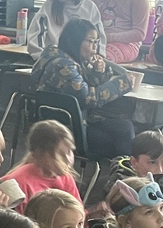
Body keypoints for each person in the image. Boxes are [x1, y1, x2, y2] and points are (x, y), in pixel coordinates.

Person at [32, 18, 134, 159]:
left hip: (77, 122)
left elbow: (83, 86)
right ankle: (124, 173)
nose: (94, 47)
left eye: (96, 42)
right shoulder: (63, 66)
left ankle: (125, 173)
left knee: (124, 128)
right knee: (120, 141)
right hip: (66, 131)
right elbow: (88, 98)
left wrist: (98, 72)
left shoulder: (65, 58)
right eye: (90, 41)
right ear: (75, 41)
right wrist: (122, 84)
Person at [27, 0, 105, 61]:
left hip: (82, 61)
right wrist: (43, 59)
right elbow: (36, 36)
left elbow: (98, 38)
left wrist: (97, 57)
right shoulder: (49, 6)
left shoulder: (89, 8)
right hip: (54, 60)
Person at [1, 120, 81, 213]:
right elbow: (19, 224)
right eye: (59, 154)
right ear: (38, 155)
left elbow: (77, 215)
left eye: (69, 151)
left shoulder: (66, 177)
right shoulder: (19, 184)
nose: (68, 160)